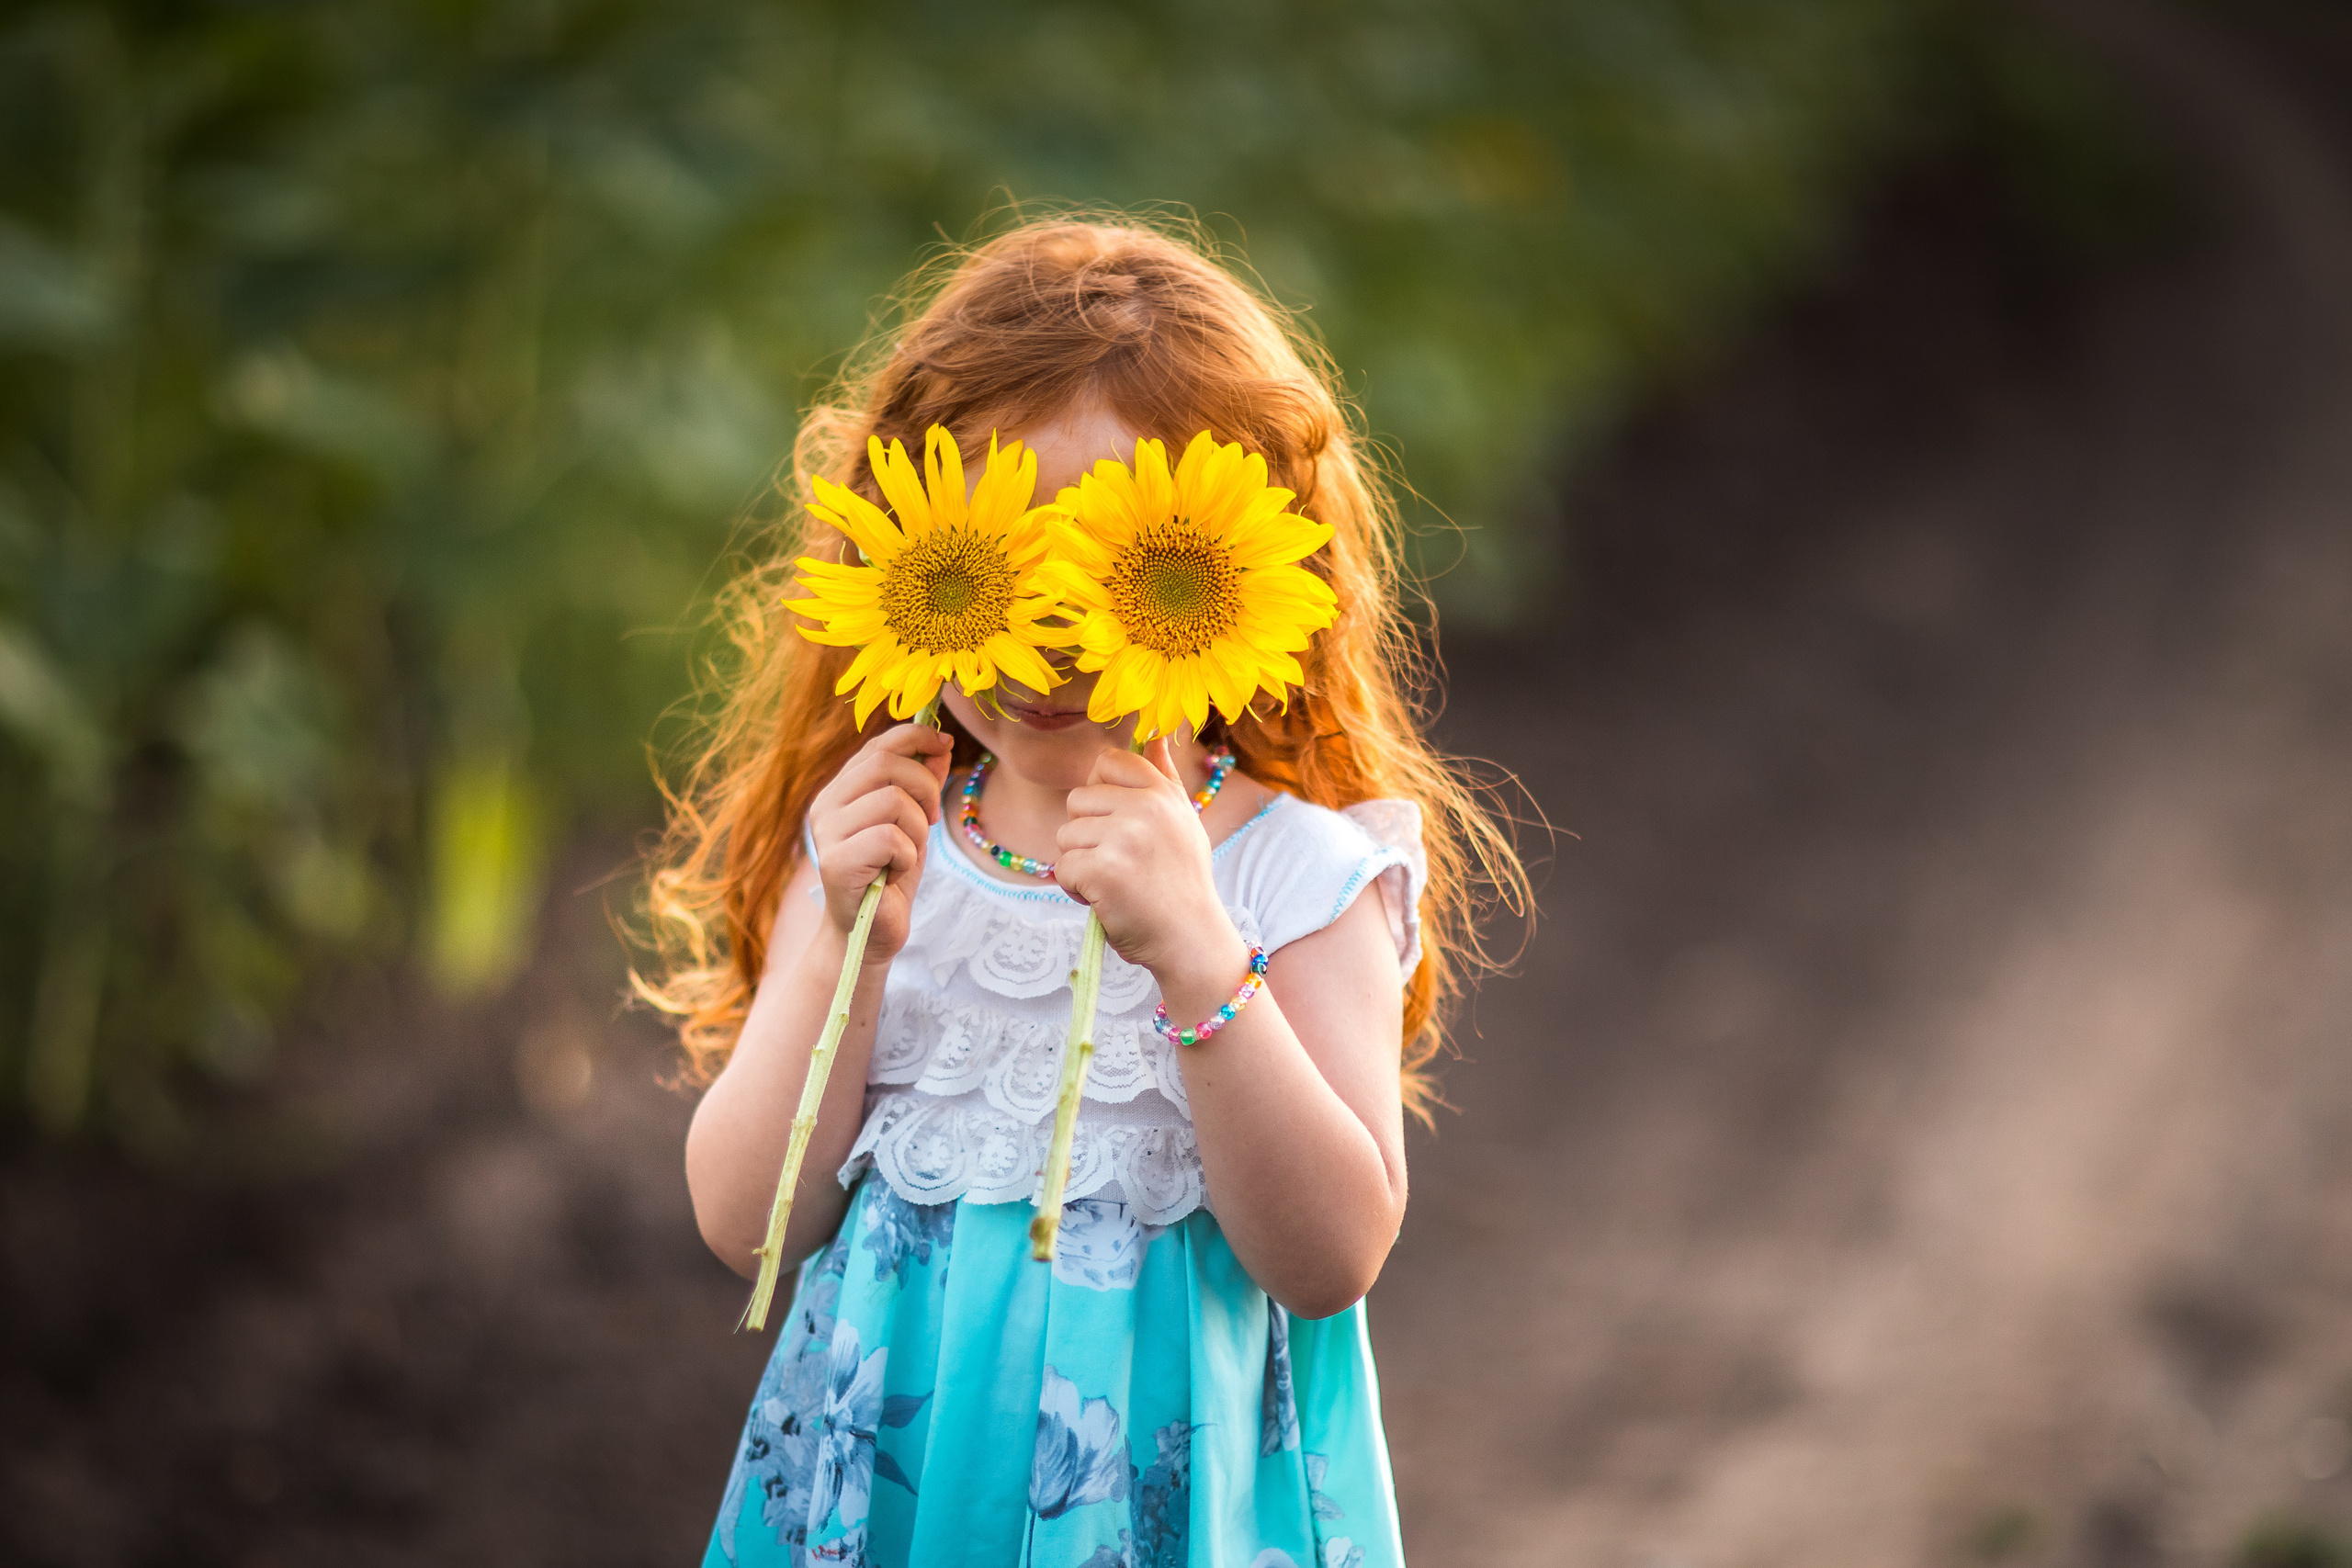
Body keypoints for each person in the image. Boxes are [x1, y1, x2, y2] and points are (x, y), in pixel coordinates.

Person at [640, 217, 1521, 1568]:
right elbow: (748, 1221)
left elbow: (1332, 1254)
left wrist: (1198, 960)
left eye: (1112, 563)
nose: (1048, 630)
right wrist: (841, 953)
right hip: (893, 1501)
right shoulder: (878, 846)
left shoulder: (1297, 879)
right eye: (992, 558)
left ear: (1234, 577)